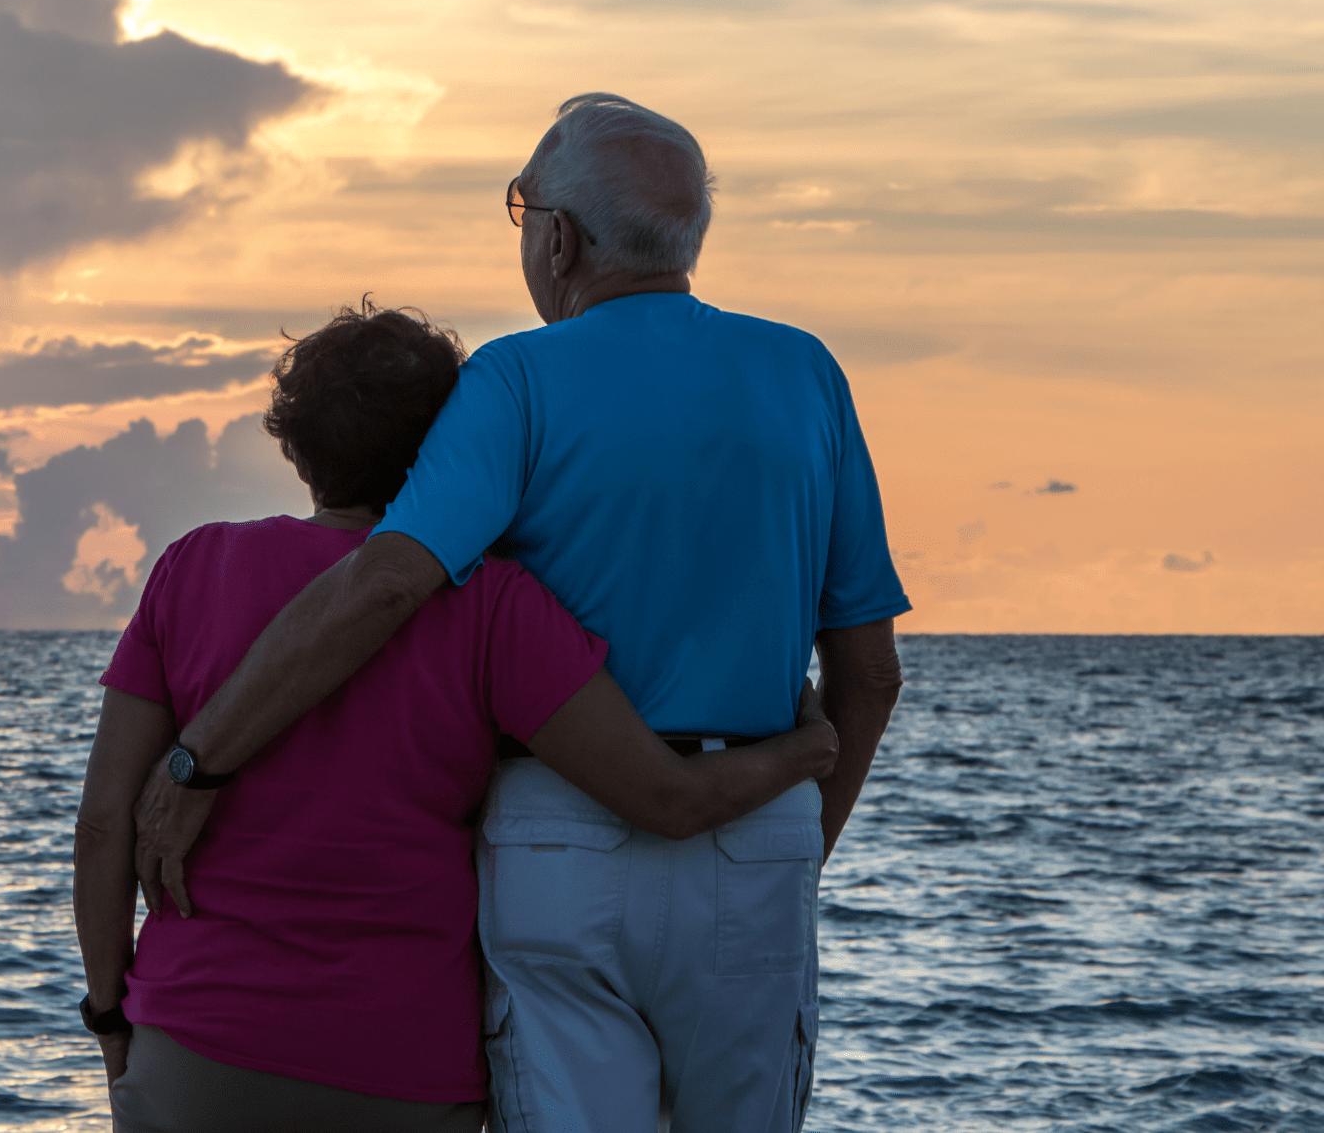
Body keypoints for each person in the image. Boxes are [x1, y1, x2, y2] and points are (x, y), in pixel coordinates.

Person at [129, 94, 911, 1132]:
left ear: (558, 237)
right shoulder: (804, 373)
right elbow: (865, 674)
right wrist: (784, 842)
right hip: (751, 828)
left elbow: (389, 581)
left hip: (559, 837)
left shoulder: (513, 378)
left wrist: (198, 762)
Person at [72, 301, 841, 1133]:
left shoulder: (193, 568)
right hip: (403, 1067)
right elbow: (667, 800)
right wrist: (802, 751)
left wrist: (111, 1016)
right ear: (451, 444)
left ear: (295, 445)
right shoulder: (491, 603)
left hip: (196, 1043)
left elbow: (106, 825)